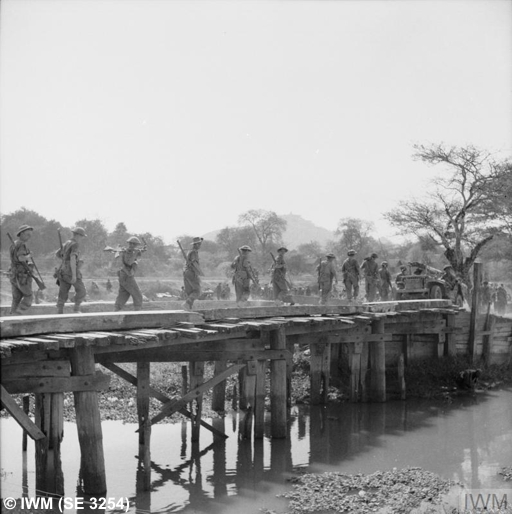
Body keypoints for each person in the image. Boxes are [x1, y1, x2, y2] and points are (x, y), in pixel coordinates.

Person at [56, 227, 87, 314]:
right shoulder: (75, 244)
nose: (82, 238)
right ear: (77, 235)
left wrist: (64, 259)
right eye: (81, 236)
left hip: (63, 271)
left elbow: (57, 254)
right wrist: (74, 275)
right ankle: (76, 308)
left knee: (63, 292)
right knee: (82, 291)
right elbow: (73, 259)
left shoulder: (67, 243)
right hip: (70, 271)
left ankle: (60, 311)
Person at [9, 225, 35, 315]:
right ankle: (18, 314)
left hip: (13, 273)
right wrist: (29, 256)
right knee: (29, 296)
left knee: (16, 298)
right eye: (28, 235)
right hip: (21, 275)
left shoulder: (14, 244)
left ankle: (12, 317)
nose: (29, 237)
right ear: (22, 233)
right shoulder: (21, 244)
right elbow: (21, 258)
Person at [114, 236, 145, 311]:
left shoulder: (131, 252)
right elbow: (129, 262)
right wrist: (135, 253)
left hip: (124, 276)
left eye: (134, 245)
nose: (133, 246)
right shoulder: (127, 252)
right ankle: (138, 313)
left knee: (123, 295)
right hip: (127, 276)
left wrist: (138, 253)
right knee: (137, 295)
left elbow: (137, 257)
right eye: (133, 244)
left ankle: (116, 311)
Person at [183, 237, 203, 309]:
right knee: (197, 291)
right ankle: (187, 303)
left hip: (186, 272)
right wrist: (200, 272)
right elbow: (194, 262)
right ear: (196, 245)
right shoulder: (194, 252)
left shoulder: (189, 252)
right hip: (191, 272)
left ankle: (188, 307)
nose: (200, 245)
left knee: (190, 291)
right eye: (199, 244)